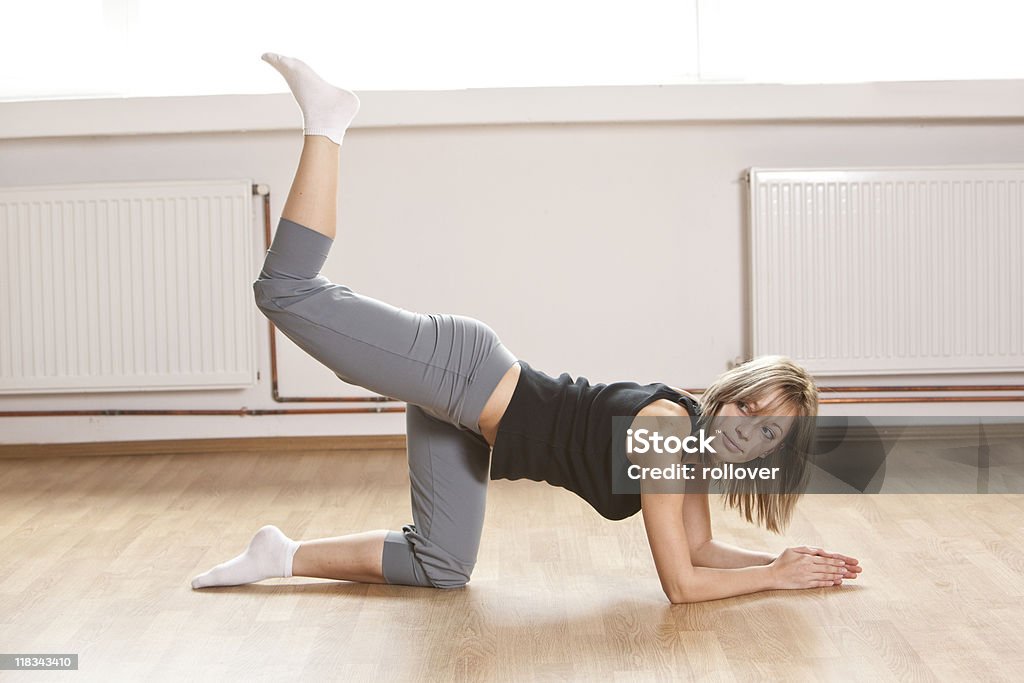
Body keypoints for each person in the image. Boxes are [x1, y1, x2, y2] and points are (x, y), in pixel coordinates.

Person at [190, 53, 862, 602]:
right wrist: (774, 578)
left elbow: (703, 550)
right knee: (286, 291)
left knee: (440, 564)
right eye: (747, 404)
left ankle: (279, 554)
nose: (746, 427)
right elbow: (681, 584)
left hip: (465, 418)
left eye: (768, 429)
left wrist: (785, 562)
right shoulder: (668, 431)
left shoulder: (690, 458)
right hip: (466, 372)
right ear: (729, 392)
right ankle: (329, 121)